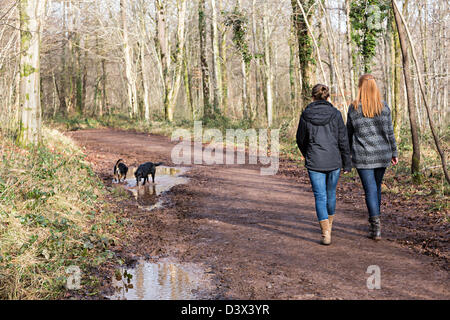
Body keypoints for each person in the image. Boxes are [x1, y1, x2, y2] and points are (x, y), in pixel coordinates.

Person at [296, 84, 351, 245]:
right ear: (327, 97)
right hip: (333, 159)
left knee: (320, 196)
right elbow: (343, 139)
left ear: (312, 97)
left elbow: (300, 139)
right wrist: (347, 162)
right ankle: (329, 226)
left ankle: (325, 232)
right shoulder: (335, 114)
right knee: (331, 193)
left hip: (315, 160)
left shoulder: (306, 115)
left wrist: (307, 153)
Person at [347, 74, 398, 241]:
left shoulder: (354, 108)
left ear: (360, 87)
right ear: (375, 87)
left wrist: (346, 154)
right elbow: (390, 132)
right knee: (375, 188)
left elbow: (348, 133)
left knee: (370, 190)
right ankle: (376, 221)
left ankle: (375, 227)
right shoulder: (384, 107)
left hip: (363, 156)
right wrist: (394, 152)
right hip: (382, 154)